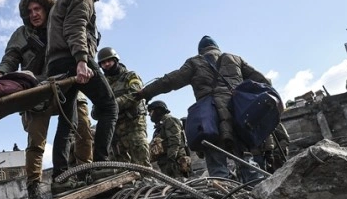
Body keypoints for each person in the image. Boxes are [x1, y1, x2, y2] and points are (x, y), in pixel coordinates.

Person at [0, 0, 93, 199]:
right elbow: (10, 58)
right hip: (37, 90)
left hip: (68, 84)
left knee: (84, 130)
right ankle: (34, 190)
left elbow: (80, 39)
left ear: (47, 9)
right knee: (36, 143)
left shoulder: (60, 24)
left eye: (38, 9)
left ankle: (86, 175)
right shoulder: (21, 34)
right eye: (29, 11)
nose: (34, 14)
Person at [136, 35, 270, 181]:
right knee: (247, 161)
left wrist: (146, 92)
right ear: (217, 48)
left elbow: (170, 81)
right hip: (238, 114)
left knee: (217, 167)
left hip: (211, 118)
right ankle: (259, 196)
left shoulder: (195, 62)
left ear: (201, 51)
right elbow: (264, 81)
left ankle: (225, 198)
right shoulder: (235, 59)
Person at [46, 0, 117, 196]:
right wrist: (81, 60)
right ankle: (101, 166)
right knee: (109, 107)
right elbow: (75, 26)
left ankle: (60, 178)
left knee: (68, 122)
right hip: (73, 59)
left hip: (56, 64)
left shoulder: (61, 1)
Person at [96, 47, 150, 166]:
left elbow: (135, 95)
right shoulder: (103, 84)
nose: (106, 65)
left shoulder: (130, 76)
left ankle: (148, 180)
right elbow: (96, 110)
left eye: (109, 61)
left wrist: (111, 105)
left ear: (116, 60)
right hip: (115, 127)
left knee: (140, 156)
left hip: (134, 123)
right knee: (121, 163)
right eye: (103, 63)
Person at [147, 101, 190, 178]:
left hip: (175, 162)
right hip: (166, 162)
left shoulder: (170, 120)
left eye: (151, 111)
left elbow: (175, 141)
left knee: (180, 185)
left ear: (158, 111)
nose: (149, 114)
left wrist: (171, 160)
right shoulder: (160, 126)